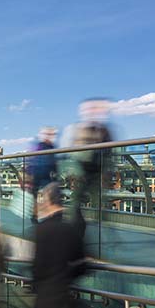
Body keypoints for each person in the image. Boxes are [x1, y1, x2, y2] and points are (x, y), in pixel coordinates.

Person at [65, 98, 114, 233]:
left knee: (99, 205)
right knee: (76, 202)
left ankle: (105, 234)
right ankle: (79, 232)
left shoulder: (102, 130)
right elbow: (73, 151)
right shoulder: (81, 129)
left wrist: (105, 173)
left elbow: (109, 152)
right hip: (83, 173)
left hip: (96, 173)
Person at [28, 127, 58, 222]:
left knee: (40, 195)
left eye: (52, 134)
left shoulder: (49, 146)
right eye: (49, 134)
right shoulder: (45, 146)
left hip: (42, 173)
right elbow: (33, 158)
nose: (50, 136)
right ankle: (38, 215)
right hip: (39, 174)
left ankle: (37, 215)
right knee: (42, 195)